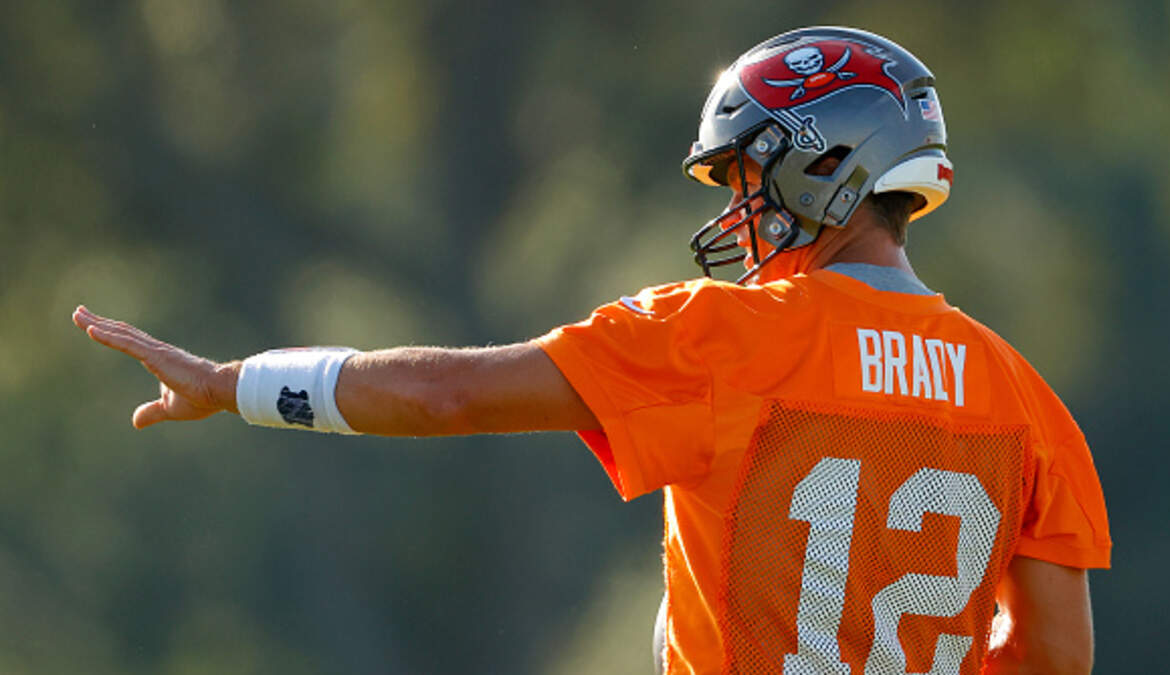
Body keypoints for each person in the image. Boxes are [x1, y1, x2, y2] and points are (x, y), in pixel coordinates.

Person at [74, 26, 1109, 675]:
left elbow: (446, 396)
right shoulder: (1025, 399)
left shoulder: (721, 338)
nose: (741, 212)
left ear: (824, 166)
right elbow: (1057, 660)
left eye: (749, 178)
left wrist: (238, 384)